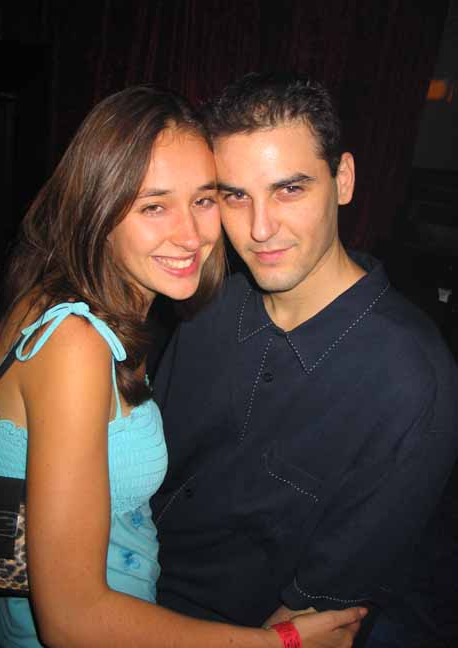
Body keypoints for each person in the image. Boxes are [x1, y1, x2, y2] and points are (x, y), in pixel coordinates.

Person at [0, 85, 364, 647]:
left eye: (204, 200)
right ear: (98, 207)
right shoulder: (74, 344)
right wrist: (278, 643)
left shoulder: (54, 298)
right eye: (153, 206)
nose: (191, 235)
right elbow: (71, 620)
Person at [151, 73, 458, 647]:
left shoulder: (412, 379)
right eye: (235, 196)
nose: (260, 228)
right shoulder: (205, 306)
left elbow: (315, 615)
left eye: (289, 189)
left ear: (343, 180)